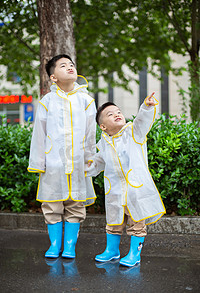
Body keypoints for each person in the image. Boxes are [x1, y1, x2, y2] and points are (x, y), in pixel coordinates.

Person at [28, 54, 97, 259]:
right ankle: (54, 245)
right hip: (54, 164)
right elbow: (39, 134)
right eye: (63, 65)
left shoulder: (86, 100)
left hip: (77, 163)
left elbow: (90, 133)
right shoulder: (47, 101)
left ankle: (69, 246)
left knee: (75, 205)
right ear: (53, 77)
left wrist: (89, 160)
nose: (70, 67)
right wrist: (39, 162)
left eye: (72, 64)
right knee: (51, 204)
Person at [85, 93, 166, 267]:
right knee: (113, 221)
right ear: (103, 127)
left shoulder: (133, 133)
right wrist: (85, 167)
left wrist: (146, 107)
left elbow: (142, 122)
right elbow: (98, 162)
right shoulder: (104, 143)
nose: (116, 114)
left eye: (118, 111)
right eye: (110, 114)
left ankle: (134, 254)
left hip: (134, 189)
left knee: (137, 222)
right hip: (114, 190)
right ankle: (112, 250)